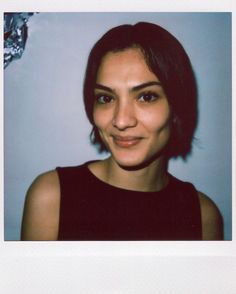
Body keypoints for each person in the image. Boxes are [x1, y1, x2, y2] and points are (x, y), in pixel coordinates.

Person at [21, 22, 223, 241]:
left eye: (146, 96)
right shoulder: (52, 197)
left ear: (177, 106)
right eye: (106, 98)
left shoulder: (203, 216)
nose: (121, 120)